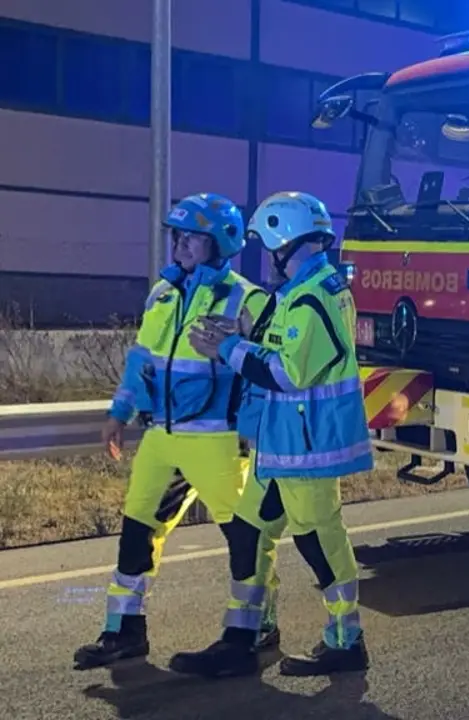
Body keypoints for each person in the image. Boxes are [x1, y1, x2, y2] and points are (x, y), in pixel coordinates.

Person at [170, 191, 374, 677]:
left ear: (287, 243)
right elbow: (280, 344)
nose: (267, 257)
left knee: (319, 542)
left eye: (269, 247)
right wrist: (240, 332)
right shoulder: (302, 290)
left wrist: (228, 349)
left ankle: (346, 640)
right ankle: (245, 634)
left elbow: (287, 373)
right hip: (282, 447)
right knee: (248, 531)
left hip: (307, 450)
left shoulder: (312, 297)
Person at [74, 193, 272, 670]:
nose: (181, 245)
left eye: (193, 238)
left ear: (220, 243)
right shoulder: (162, 294)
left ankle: (249, 633)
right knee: (137, 528)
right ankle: (124, 631)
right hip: (160, 436)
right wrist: (118, 413)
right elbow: (140, 361)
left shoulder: (247, 299)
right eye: (178, 236)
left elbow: (268, 370)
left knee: (245, 536)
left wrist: (253, 418)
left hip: (217, 438)